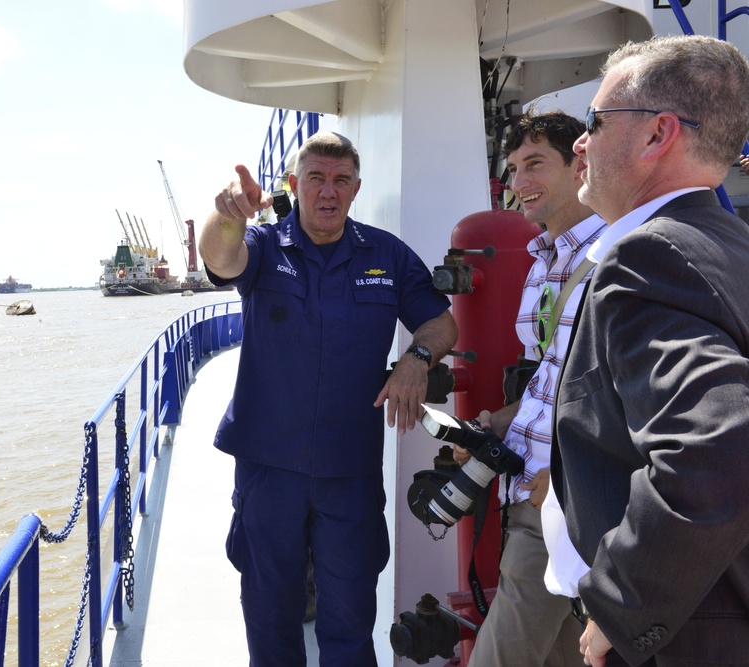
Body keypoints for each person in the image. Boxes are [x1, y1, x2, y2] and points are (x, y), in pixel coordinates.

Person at [199, 131, 458, 666]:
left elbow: (440, 322)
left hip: (350, 471)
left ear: (356, 188)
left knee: (350, 619)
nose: (328, 191)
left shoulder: (386, 254)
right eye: (315, 178)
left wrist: (417, 358)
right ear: (295, 184)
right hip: (269, 467)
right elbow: (221, 259)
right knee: (271, 614)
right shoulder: (265, 246)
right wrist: (227, 216)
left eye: (341, 181)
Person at [550, 35, 749, 666]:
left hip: (684, 633)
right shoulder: (730, 245)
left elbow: (718, 447)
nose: (580, 143)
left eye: (594, 123)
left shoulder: (648, 256)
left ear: (657, 134)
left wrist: (620, 603)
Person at [452, 111, 606, 667]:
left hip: (565, 505)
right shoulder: (542, 263)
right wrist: (497, 421)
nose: (519, 184)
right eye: (514, 168)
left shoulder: (617, 255)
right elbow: (551, 379)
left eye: (536, 164)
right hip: (526, 496)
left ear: (580, 162)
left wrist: (563, 483)